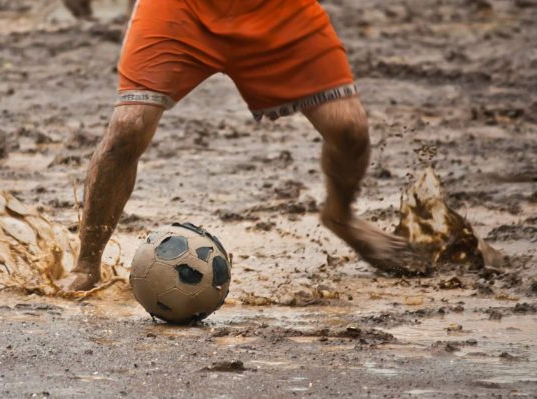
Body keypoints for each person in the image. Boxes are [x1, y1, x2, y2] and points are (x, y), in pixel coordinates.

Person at [67, 0, 429, 290]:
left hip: (277, 10)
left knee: (348, 126)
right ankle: (87, 264)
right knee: (129, 125)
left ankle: (341, 215)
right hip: (180, 9)